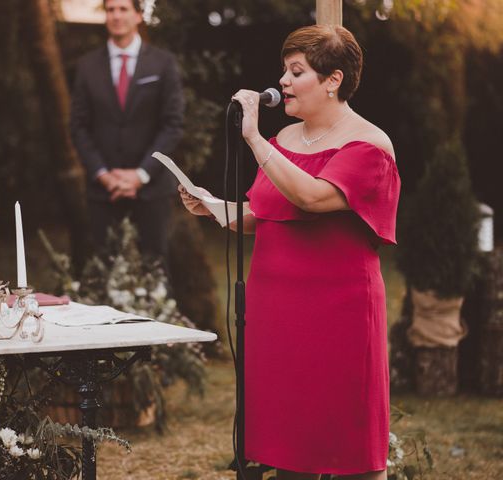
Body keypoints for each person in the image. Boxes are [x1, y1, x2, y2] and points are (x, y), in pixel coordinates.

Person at [180, 25, 400, 480]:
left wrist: (255, 140)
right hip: (277, 311)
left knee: (347, 443)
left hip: (339, 313)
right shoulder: (286, 140)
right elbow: (266, 213)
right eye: (284, 69)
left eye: (296, 71)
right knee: (288, 447)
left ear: (333, 80)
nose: (282, 80)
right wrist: (213, 206)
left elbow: (313, 198)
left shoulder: (369, 145)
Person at [70, 0, 184, 261]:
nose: (116, 15)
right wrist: (104, 175)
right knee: (102, 269)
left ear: (138, 15)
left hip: (151, 188)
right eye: (110, 10)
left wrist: (140, 174)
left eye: (123, 9)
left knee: (154, 268)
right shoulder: (87, 66)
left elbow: (172, 125)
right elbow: (79, 126)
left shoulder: (163, 64)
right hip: (103, 191)